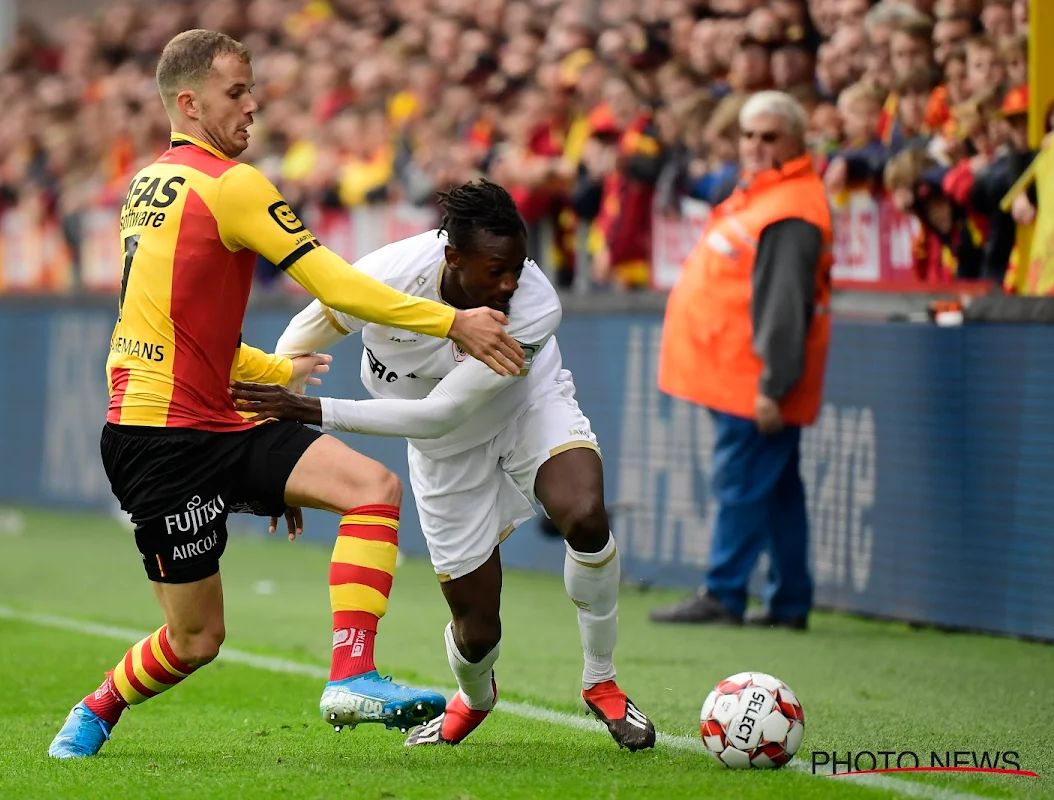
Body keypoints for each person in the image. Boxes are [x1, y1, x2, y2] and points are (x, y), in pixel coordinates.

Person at [48, 30, 525, 759]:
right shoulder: (231, 184)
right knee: (196, 639)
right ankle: (98, 706)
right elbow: (335, 285)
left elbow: (174, 321)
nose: (252, 105)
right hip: (162, 440)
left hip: (210, 415)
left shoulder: (150, 182)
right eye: (236, 92)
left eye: (251, 89)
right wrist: (451, 320)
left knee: (372, 487)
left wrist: (274, 376)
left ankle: (351, 674)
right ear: (188, 101)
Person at [230, 180, 657, 752]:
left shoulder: (535, 304)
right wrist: (280, 434)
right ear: (452, 258)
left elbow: (440, 410)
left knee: (584, 516)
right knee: (478, 632)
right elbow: (300, 337)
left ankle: (601, 680)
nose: (511, 284)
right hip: (443, 454)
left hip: (526, 407)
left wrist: (307, 408)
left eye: (519, 266)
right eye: (495, 270)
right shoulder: (390, 273)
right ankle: (475, 698)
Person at [646, 91, 833, 631]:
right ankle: (789, 601)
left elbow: (784, 306)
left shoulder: (791, 206)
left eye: (769, 136)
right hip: (735, 374)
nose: (755, 145)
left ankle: (725, 593)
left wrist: (774, 385)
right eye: (749, 135)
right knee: (776, 490)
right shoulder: (765, 195)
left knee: (743, 483)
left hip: (752, 381)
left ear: (797, 141)